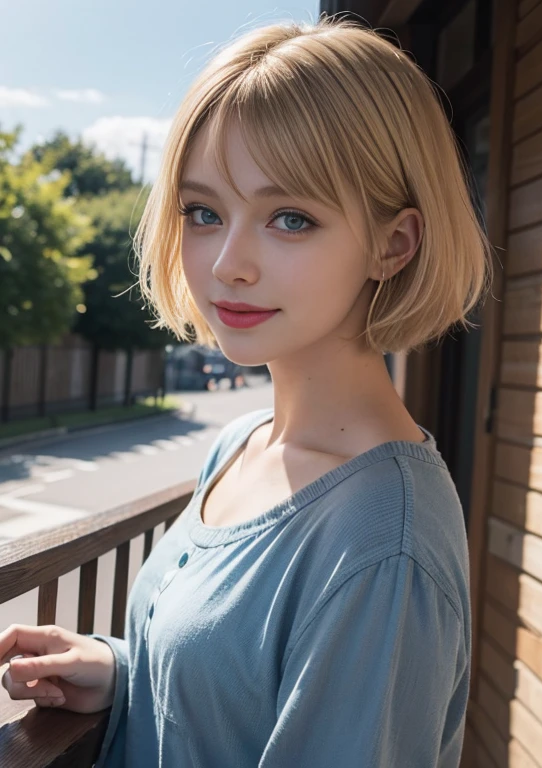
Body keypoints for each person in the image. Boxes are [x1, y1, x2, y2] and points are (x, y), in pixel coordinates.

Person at [0, 15, 492, 767]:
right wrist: (128, 672)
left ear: (393, 244)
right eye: (204, 212)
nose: (228, 262)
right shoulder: (242, 442)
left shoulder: (384, 543)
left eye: (290, 218)